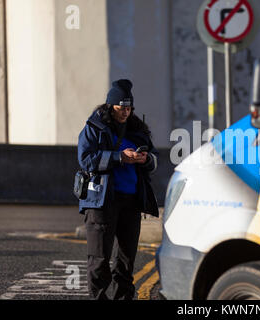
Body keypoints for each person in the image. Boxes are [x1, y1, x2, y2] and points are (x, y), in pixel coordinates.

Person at [77, 79, 159, 300]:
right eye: (121, 107)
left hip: (131, 200)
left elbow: (154, 160)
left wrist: (145, 159)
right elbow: (85, 160)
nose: (126, 112)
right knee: (99, 259)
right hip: (102, 201)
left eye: (129, 107)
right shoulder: (94, 128)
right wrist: (119, 157)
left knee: (126, 260)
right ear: (110, 105)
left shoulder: (137, 129)